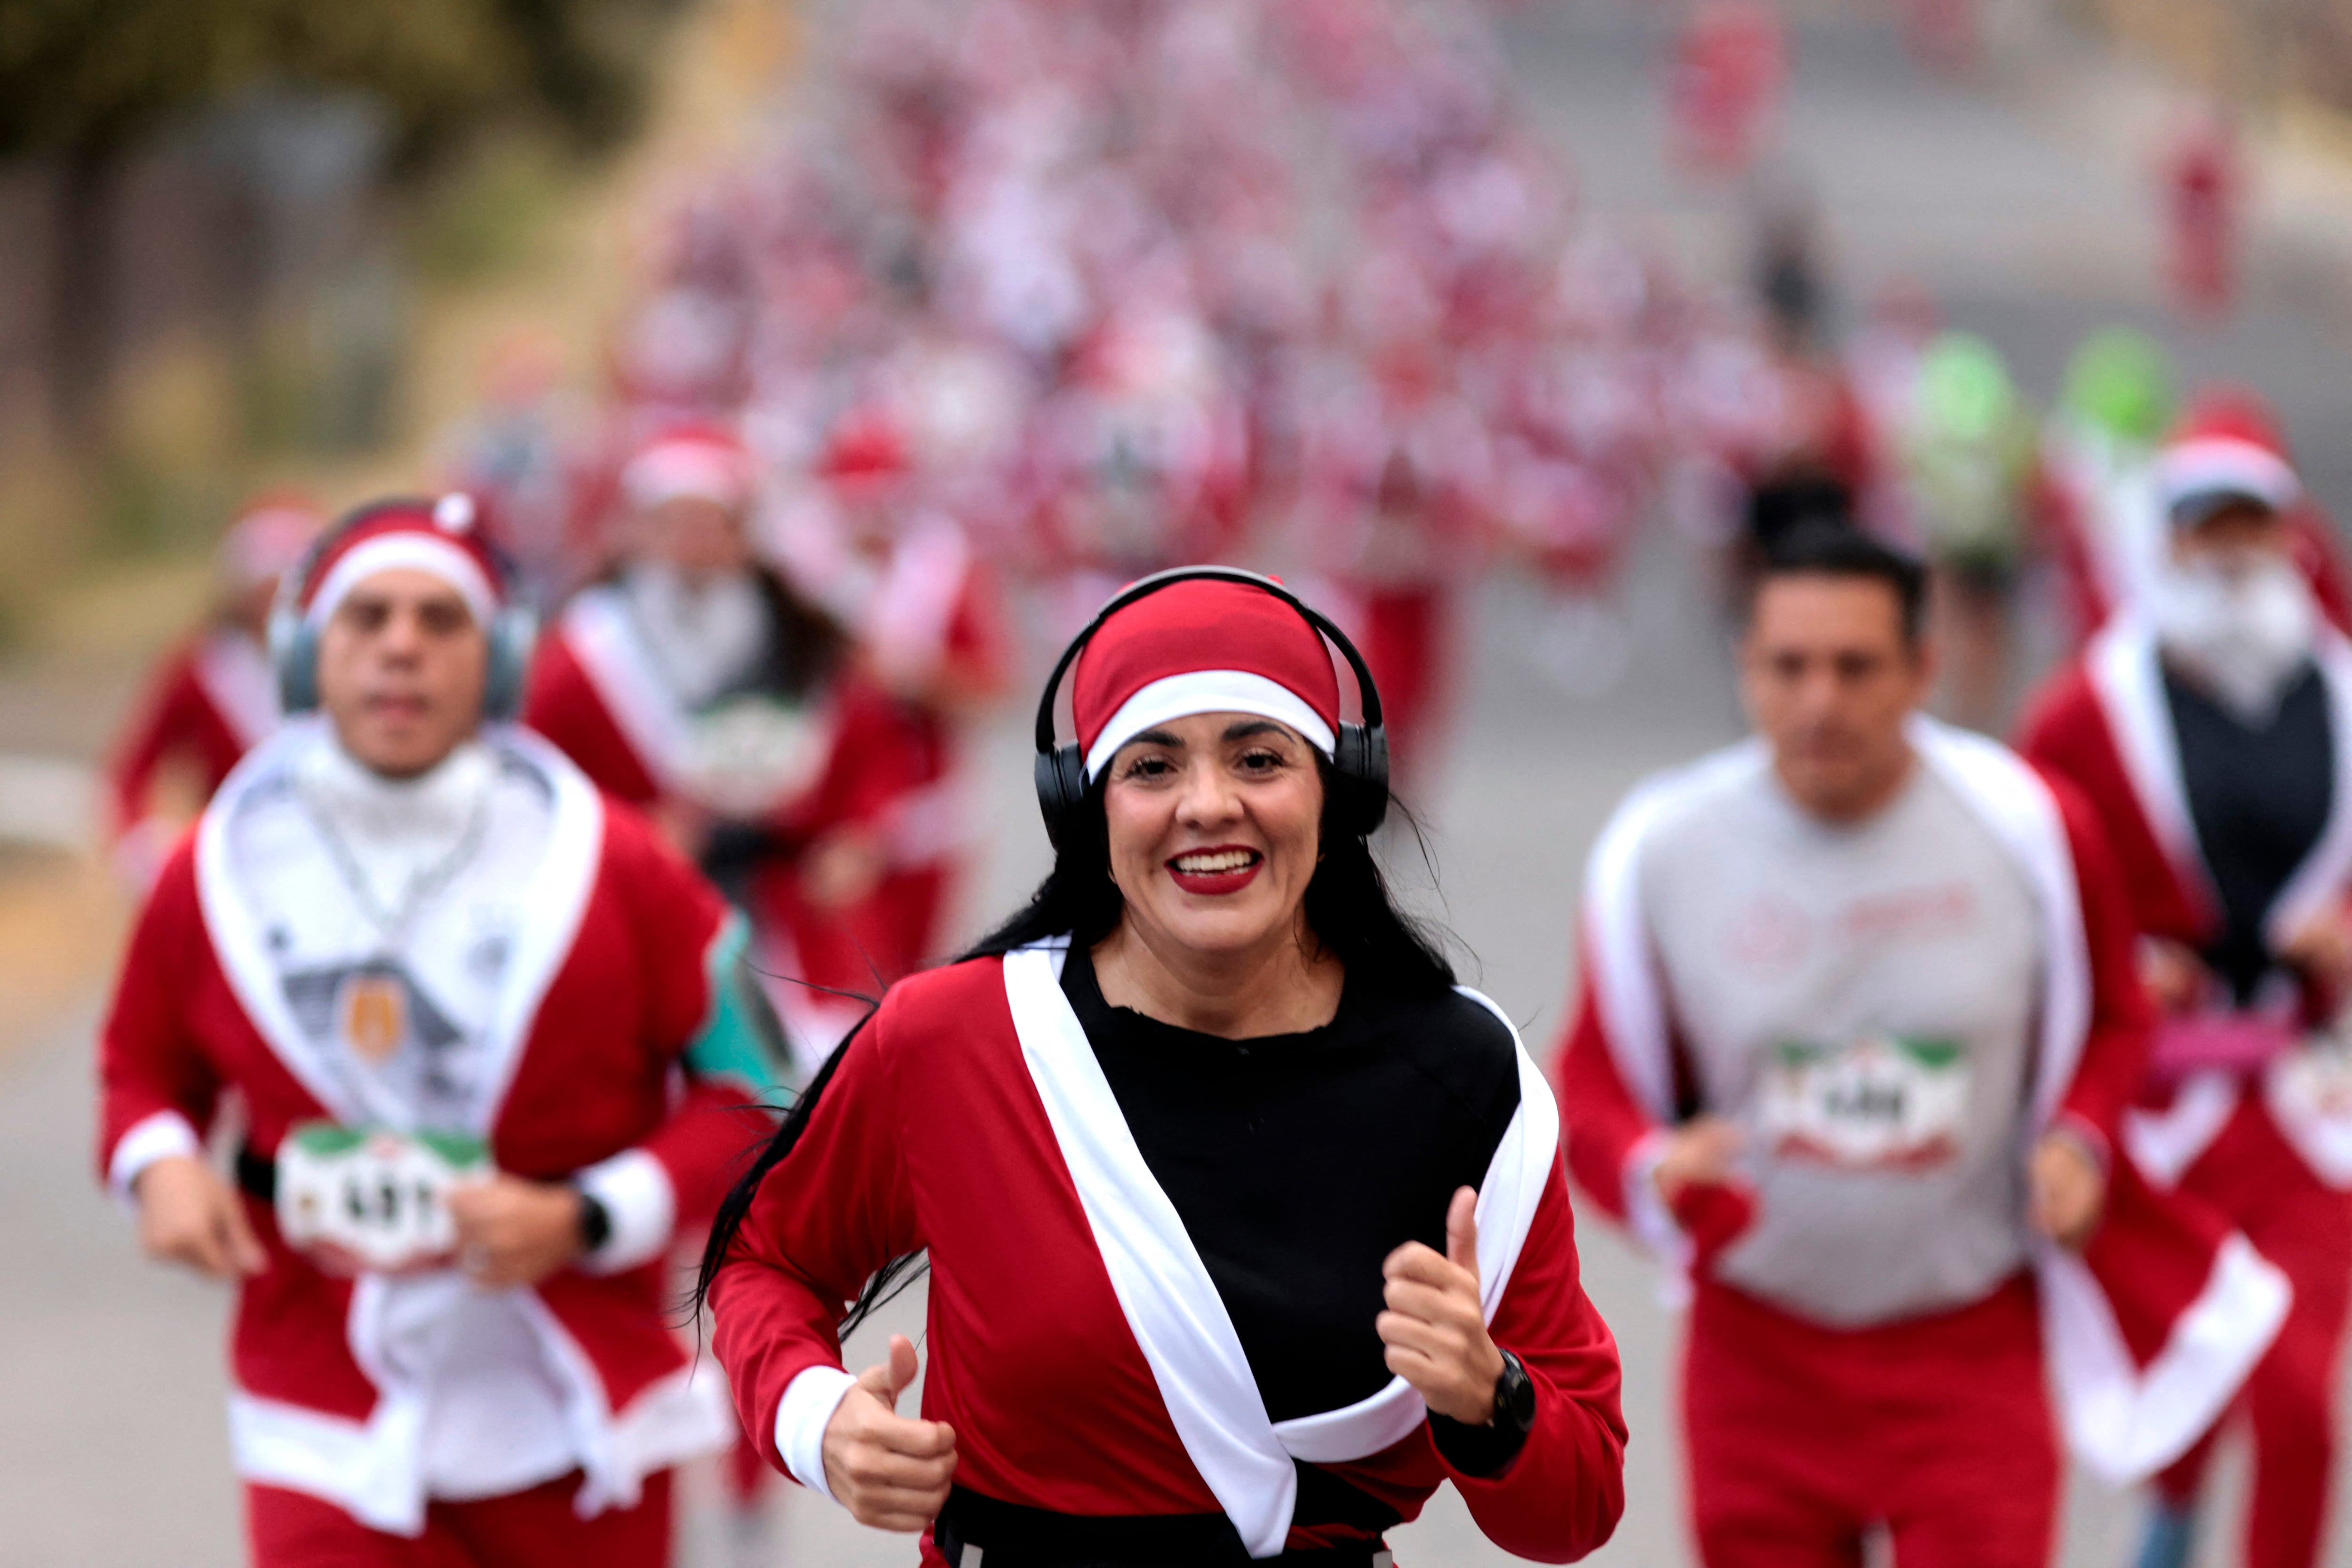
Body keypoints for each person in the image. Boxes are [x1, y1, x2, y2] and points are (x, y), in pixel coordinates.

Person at [699, 570, 1628, 1565]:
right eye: (1151, 767)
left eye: (1259, 758)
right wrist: (818, 1416)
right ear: (1086, 808)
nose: (1207, 805)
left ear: (1339, 789)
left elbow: (1575, 1511)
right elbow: (766, 1261)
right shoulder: (960, 1037)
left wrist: (1491, 1398)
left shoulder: (1465, 1075)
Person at [1559, 525, 2288, 1568]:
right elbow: (1586, 1080)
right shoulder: (1659, 847)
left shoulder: (2028, 825)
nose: (1820, 701)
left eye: (1855, 667)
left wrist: (2079, 1140)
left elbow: (2118, 1016)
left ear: (1923, 667)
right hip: (1757, 1360)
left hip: (1967, 1350)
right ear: (1745, 666)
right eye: (1789, 666)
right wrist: (1645, 1164)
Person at [95, 496, 784, 1567]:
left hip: (579, 1413)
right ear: (306, 654)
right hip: (319, 1406)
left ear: (501, 656)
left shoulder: (623, 864)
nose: (401, 647)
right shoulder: (215, 867)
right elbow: (140, 1067)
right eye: (367, 618)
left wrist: (591, 1215)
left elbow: (757, 1087)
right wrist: (162, 1165)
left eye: (439, 620)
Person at [2018, 423, 2352, 1568]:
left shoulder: (2346, 693)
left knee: (2300, 1401)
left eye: (2251, 520)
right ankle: (2165, 1520)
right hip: (2161, 1112)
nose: (2230, 548)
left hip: (2309, 1109)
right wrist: (2117, 954)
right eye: (2204, 522)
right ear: (2163, 537)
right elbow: (2028, 882)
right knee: (2192, 1376)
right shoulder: (2088, 709)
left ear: (2289, 532)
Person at [523, 424, 913, 1073]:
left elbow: (875, 751)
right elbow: (533, 780)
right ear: (638, 533)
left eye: (712, 526)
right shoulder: (582, 657)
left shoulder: (800, 638)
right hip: (643, 902)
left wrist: (859, 837)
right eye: (673, 525)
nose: (691, 547)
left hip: (790, 904)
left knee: (832, 1075)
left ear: (744, 534)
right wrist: (628, 833)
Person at [108, 494, 322, 888]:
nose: (273, 604)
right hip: (233, 871)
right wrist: (141, 845)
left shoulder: (337, 662)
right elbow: (134, 767)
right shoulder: (204, 669)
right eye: (264, 587)